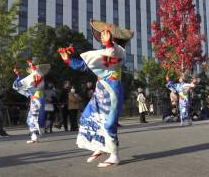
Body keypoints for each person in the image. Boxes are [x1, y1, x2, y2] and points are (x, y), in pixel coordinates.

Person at [57, 19, 133, 167]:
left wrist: (109, 43)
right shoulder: (103, 52)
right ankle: (100, 146)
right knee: (90, 117)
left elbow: (113, 51)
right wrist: (68, 60)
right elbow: (83, 66)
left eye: (107, 34)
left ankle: (114, 155)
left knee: (109, 123)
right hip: (100, 90)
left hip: (112, 90)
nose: (103, 36)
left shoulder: (119, 51)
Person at [12, 60, 50, 143]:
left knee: (32, 118)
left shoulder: (35, 76)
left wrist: (18, 75)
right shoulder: (39, 76)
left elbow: (17, 85)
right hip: (39, 99)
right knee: (36, 117)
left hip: (36, 99)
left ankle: (35, 136)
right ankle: (38, 133)